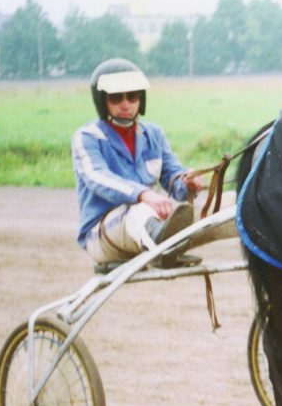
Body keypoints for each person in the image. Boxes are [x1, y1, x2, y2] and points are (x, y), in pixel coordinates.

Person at [72, 58, 206, 267]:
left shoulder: (153, 134)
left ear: (141, 99)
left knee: (220, 205)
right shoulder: (87, 137)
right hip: (102, 237)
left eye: (132, 96)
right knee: (139, 210)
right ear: (102, 100)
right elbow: (98, 177)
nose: (126, 104)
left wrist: (187, 182)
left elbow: (173, 178)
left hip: (146, 225)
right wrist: (145, 195)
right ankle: (163, 247)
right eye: (116, 97)